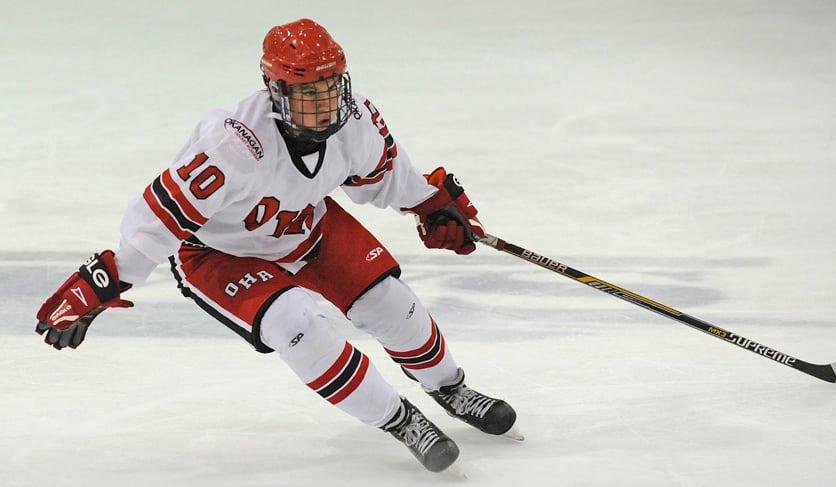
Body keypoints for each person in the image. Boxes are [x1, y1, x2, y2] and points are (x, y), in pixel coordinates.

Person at [34, 18, 520, 473]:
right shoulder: (231, 147)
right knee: (295, 323)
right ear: (276, 92)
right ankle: (400, 420)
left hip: (306, 226)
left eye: (331, 86)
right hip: (217, 254)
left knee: (390, 302)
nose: (325, 101)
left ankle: (452, 389)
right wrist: (103, 282)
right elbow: (156, 223)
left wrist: (432, 204)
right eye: (309, 91)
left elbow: (389, 178)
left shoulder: (355, 121)